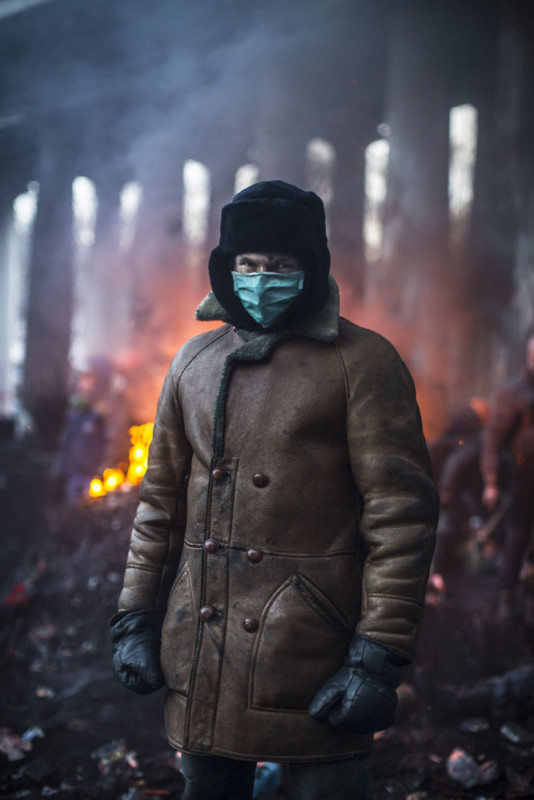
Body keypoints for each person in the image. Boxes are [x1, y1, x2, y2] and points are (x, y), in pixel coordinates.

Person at [110, 180, 438, 800]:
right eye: (249, 265)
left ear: (311, 269)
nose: (263, 280)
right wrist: (133, 616)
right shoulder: (192, 362)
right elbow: (159, 509)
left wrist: (378, 655)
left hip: (312, 652)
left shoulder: (364, 363)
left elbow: (402, 519)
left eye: (282, 266)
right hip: (202, 650)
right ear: (226, 268)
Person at [481, 331, 534, 623]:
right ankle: (506, 597)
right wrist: (491, 481)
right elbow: (493, 440)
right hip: (524, 479)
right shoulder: (514, 394)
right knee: (518, 536)